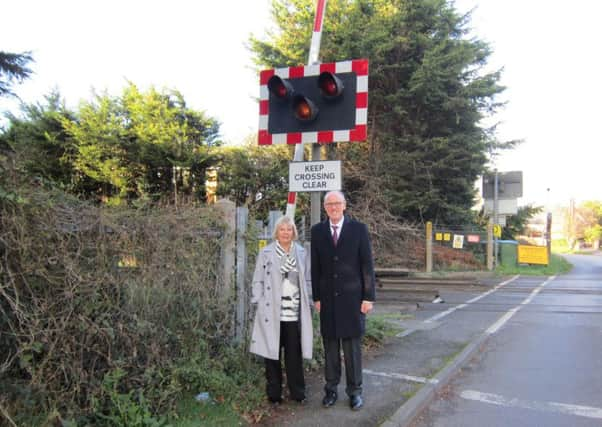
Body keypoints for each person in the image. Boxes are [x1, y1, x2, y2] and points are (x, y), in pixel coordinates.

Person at [311, 190, 375, 411]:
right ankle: (331, 390)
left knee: (352, 350)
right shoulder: (317, 231)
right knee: (330, 349)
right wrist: (316, 297)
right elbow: (315, 267)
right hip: (327, 301)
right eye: (329, 204)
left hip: (353, 300)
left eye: (337, 203)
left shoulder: (358, 230)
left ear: (345, 205)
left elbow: (367, 265)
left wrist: (368, 297)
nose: (333, 207)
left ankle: (355, 392)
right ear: (325, 208)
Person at [249, 215, 313, 405]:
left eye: (289, 229)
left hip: (293, 314)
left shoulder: (301, 252)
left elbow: (307, 279)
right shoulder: (266, 252)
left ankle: (298, 393)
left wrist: (309, 301)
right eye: (282, 229)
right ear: (276, 232)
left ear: (293, 232)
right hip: (271, 313)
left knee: (294, 356)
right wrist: (259, 301)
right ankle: (274, 395)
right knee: (272, 355)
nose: (286, 233)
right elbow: (257, 279)